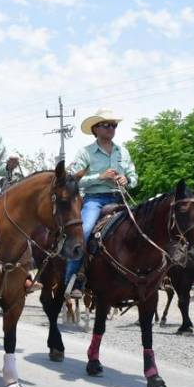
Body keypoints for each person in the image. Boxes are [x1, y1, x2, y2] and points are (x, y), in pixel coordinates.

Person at [64, 109, 137, 298]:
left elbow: (134, 176)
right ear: (95, 129)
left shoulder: (123, 151)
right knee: (84, 232)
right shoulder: (85, 152)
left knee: (142, 228)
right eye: (106, 125)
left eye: (114, 125)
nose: (111, 128)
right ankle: (73, 279)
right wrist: (100, 177)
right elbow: (74, 180)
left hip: (120, 199)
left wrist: (127, 180)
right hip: (95, 200)